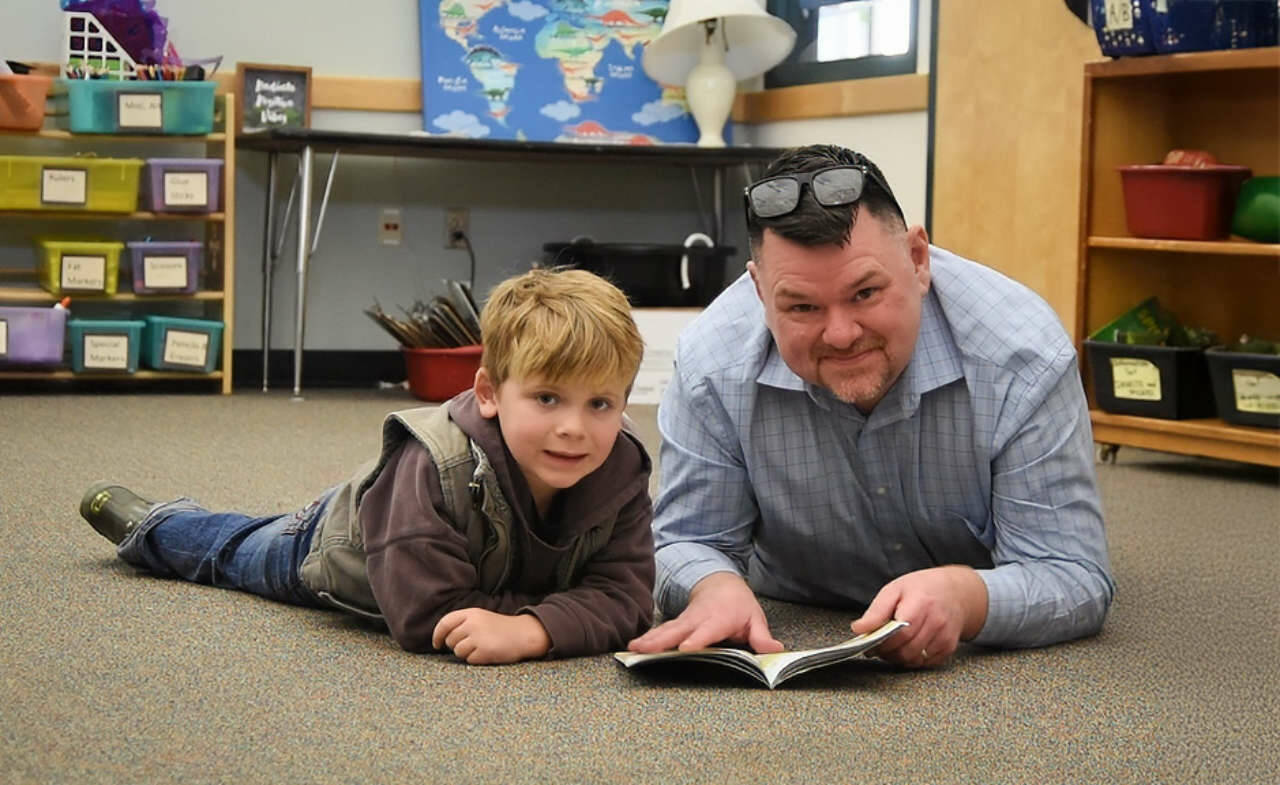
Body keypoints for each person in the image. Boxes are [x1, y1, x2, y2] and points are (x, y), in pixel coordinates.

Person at [628, 144, 1114, 667]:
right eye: (801, 307)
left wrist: (967, 597)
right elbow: (685, 541)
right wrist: (711, 586)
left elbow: (1070, 571)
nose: (840, 334)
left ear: (918, 260)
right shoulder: (711, 365)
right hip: (793, 607)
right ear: (759, 290)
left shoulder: (1023, 357)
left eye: (864, 293)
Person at [80, 267, 656, 664]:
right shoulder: (433, 465)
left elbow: (629, 599)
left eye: (600, 403)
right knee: (232, 552)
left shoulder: (620, 467)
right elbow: (424, 614)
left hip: (422, 540)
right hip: (331, 546)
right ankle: (154, 526)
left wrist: (531, 629)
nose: (574, 428)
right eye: (547, 398)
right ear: (488, 393)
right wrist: (559, 618)